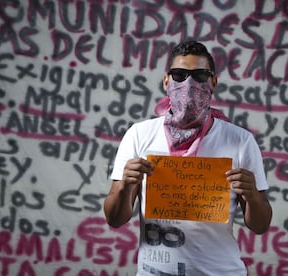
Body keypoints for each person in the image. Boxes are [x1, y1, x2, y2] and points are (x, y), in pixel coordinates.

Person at [104, 40, 272, 275]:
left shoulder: (240, 141)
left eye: (200, 75)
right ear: (166, 81)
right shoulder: (139, 135)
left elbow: (261, 225)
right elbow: (114, 219)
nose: (189, 83)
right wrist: (124, 187)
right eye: (179, 75)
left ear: (213, 82)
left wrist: (252, 195)